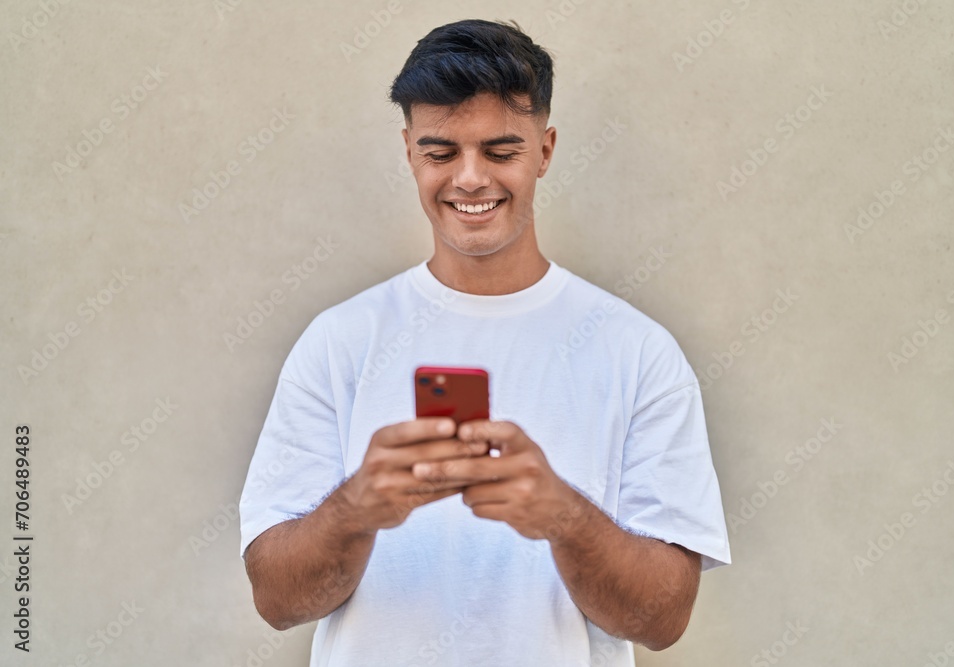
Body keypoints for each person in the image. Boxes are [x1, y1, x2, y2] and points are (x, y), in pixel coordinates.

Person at [239, 18, 731, 666]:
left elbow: (663, 618)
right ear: (409, 151)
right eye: (442, 152)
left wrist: (564, 516)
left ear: (546, 150)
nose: (470, 179)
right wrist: (355, 509)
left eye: (500, 151)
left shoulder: (638, 353)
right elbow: (276, 599)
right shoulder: (339, 342)